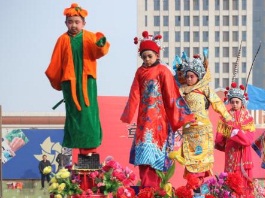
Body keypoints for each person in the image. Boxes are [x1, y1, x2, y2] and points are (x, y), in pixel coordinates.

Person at [120, 32, 194, 188]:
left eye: (150, 56)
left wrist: (182, 117)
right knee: (143, 158)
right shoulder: (140, 72)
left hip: (159, 120)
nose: (147, 60)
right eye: (144, 57)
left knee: (155, 159)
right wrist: (128, 114)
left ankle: (153, 193)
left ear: (157, 55)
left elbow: (171, 95)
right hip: (143, 120)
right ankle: (146, 192)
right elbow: (134, 94)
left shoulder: (163, 71)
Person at [45, 3, 108, 156]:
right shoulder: (62, 40)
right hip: (70, 84)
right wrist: (59, 83)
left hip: (88, 82)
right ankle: (81, 151)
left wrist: (101, 44)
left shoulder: (89, 37)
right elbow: (55, 65)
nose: (74, 25)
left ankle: (90, 150)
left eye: (77, 22)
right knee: (74, 114)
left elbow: (99, 51)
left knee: (89, 113)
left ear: (84, 23)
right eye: (70, 21)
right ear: (66, 23)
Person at [175, 53, 232, 184]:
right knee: (190, 163)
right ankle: (194, 190)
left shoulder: (204, 88)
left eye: (192, 76)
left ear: (198, 76)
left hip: (203, 130)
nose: (189, 79)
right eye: (187, 76)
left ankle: (199, 190)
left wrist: (227, 116)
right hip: (189, 131)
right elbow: (174, 103)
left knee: (201, 163)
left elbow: (216, 102)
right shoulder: (182, 90)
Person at [215, 82, 256, 198]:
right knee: (231, 174)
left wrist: (237, 133)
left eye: (237, 102)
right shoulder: (225, 116)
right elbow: (219, 138)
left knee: (243, 175)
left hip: (243, 151)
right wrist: (230, 133)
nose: (234, 104)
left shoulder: (247, 116)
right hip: (231, 150)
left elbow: (249, 138)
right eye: (232, 102)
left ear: (242, 102)